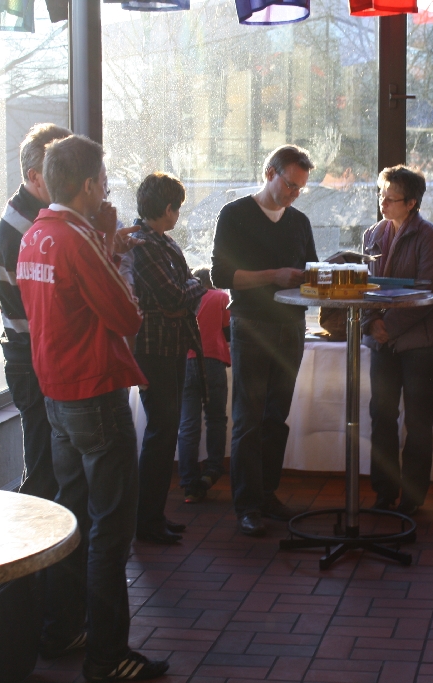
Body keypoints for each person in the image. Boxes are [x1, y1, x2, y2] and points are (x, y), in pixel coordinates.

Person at [17, 135, 168, 681]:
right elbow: (127, 315)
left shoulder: (35, 235)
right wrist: (106, 242)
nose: (107, 191)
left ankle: (62, 628)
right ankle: (107, 656)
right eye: (103, 182)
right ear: (87, 186)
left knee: (74, 516)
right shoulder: (77, 239)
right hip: (95, 393)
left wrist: (103, 240)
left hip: (56, 393)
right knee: (111, 529)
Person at [210, 144, 318, 537]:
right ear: (269, 172)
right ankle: (247, 505)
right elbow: (220, 276)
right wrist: (274, 276)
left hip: (291, 326)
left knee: (276, 417)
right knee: (249, 418)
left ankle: (266, 493)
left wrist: (321, 276)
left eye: (301, 188)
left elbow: (310, 270)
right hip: (252, 325)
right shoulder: (235, 214)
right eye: (290, 185)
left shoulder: (300, 222)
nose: (294, 194)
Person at [362, 165, 433, 516]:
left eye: (391, 198)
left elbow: (429, 291)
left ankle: (412, 498)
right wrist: (371, 323)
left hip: (421, 342)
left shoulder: (430, 236)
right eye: (381, 195)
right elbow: (364, 286)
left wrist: (389, 326)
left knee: (417, 421)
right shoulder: (373, 233)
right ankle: (384, 491)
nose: (382, 203)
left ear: (412, 202)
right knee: (381, 416)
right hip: (381, 339)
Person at [0, 122, 71, 501]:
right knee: (44, 470)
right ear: (35, 176)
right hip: (31, 357)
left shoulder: (33, 216)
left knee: (50, 464)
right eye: (58, 169)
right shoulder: (28, 229)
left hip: (33, 353)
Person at [128, 172, 206, 545]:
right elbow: (176, 296)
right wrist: (194, 287)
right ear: (168, 208)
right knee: (161, 433)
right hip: (153, 348)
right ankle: (146, 520)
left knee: (165, 431)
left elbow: (184, 288)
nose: (178, 215)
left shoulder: (161, 241)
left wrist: (190, 289)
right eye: (177, 208)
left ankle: (153, 516)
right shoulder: (142, 245)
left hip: (170, 345)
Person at [178, 267, 231, 503]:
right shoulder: (221, 297)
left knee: (188, 425)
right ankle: (212, 471)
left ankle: (189, 483)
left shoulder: (184, 298)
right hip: (212, 361)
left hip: (187, 361)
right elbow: (228, 332)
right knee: (216, 419)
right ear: (212, 282)